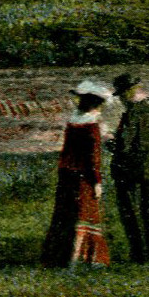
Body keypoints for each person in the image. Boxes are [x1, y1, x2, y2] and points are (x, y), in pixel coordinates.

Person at [40, 79, 113, 268]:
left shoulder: (73, 120)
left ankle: (59, 256)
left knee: (66, 215)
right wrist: (96, 181)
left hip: (67, 173)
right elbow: (93, 157)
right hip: (84, 176)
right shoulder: (92, 125)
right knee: (85, 214)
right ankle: (84, 258)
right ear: (95, 104)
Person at [111, 72, 149, 264]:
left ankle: (138, 254)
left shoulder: (131, 114)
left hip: (130, 170)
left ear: (127, 93)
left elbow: (124, 145)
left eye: (122, 95)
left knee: (130, 212)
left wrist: (111, 144)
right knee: (148, 212)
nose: (121, 100)